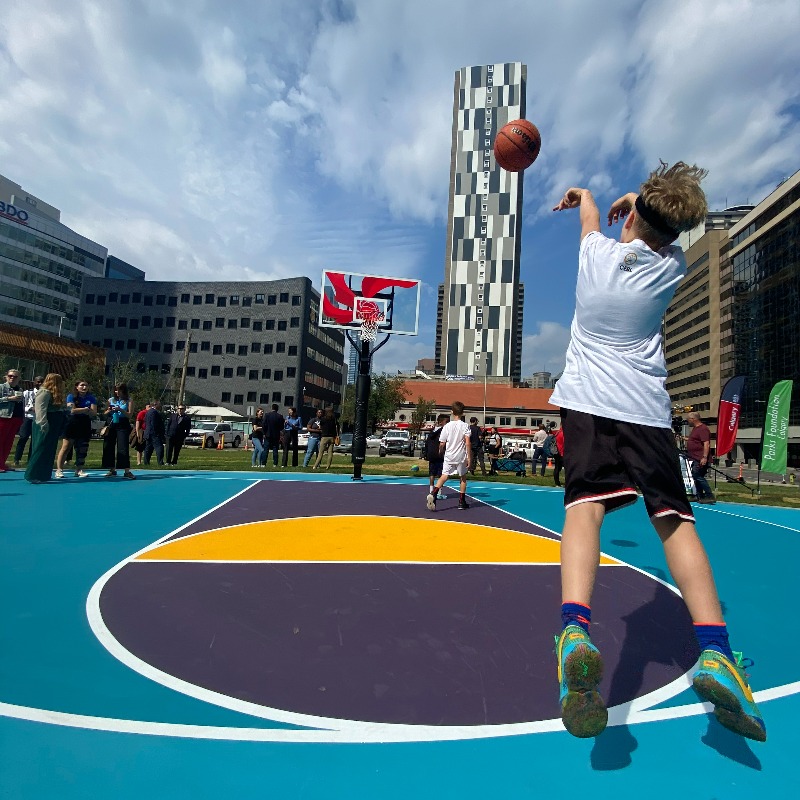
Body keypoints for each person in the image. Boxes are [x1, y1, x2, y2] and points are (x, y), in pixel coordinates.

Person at [549, 162, 765, 742]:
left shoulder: (592, 255)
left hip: (587, 405)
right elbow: (653, 225)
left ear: (632, 217)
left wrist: (590, 197)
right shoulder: (673, 267)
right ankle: (716, 651)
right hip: (644, 409)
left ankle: (574, 629)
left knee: (583, 511)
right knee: (675, 522)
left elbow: (593, 219)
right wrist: (638, 206)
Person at [426, 401, 471, 511]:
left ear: (452, 412)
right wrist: (469, 457)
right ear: (462, 412)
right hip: (460, 455)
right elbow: (467, 442)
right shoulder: (465, 426)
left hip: (449, 455)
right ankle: (461, 501)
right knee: (463, 477)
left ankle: (434, 492)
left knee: (444, 475)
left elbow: (442, 442)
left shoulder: (447, 426)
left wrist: (440, 451)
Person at [24, 373, 67, 484]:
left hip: (55, 422)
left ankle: (44, 474)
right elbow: (40, 409)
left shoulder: (55, 394)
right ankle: (32, 474)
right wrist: (43, 423)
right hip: (45, 422)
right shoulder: (44, 392)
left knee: (49, 449)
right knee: (40, 447)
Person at [55, 380, 97, 478]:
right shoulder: (71, 396)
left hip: (85, 423)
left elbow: (94, 412)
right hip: (72, 423)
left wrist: (84, 410)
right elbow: (72, 410)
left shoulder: (91, 398)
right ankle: (59, 470)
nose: (84, 387)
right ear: (77, 387)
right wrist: (85, 409)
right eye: (82, 385)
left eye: (86, 385)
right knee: (66, 447)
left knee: (82, 448)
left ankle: (79, 469)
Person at [102, 383, 136, 479]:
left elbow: (129, 415)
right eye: (116, 390)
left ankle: (126, 471)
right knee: (108, 446)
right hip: (111, 423)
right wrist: (109, 410)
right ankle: (111, 469)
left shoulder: (129, 401)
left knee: (123, 446)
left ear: (124, 390)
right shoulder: (111, 400)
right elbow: (104, 413)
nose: (117, 392)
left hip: (123, 424)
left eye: (120, 390)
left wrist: (120, 409)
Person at [684, 412, 715, 503]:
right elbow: (693, 440)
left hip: (700, 458)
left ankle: (709, 495)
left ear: (694, 419)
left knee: (697, 475)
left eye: (688, 419)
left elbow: (706, 443)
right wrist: (683, 438)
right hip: (693, 457)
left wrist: (704, 457)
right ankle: (699, 495)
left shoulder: (703, 429)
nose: (687, 421)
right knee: (695, 476)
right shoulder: (695, 429)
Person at [14, 375, 43, 467]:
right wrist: (30, 408)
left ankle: (30, 460)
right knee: (23, 437)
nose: (40, 383)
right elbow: (22, 406)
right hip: (28, 417)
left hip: (38, 419)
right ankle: (17, 459)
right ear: (34, 382)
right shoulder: (27, 393)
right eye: (38, 381)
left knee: (34, 440)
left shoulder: (45, 393)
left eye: (42, 382)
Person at [0, 368, 25, 472]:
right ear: (6, 376)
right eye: (10, 376)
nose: (12, 378)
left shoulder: (20, 389)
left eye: (15, 376)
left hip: (16, 418)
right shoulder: (1, 387)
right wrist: (9, 399)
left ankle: (2, 463)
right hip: (3, 417)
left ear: (19, 378)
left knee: (8, 442)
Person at [426, 413, 451, 498]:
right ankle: (439, 493)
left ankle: (431, 491)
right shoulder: (443, 431)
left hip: (431, 454)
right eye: (447, 421)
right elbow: (444, 443)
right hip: (440, 455)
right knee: (441, 474)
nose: (448, 423)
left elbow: (427, 443)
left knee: (432, 473)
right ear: (441, 422)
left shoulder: (431, 431)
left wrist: (426, 454)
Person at [143, 400, 166, 466]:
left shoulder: (148, 412)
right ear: (155, 405)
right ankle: (160, 462)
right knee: (159, 447)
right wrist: (157, 432)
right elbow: (153, 423)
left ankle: (146, 462)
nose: (160, 406)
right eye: (159, 404)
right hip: (154, 433)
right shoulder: (154, 412)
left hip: (148, 433)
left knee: (148, 448)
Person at [263, 403, 285, 467]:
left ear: (272, 408)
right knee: (275, 449)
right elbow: (281, 427)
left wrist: (264, 432)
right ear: (277, 409)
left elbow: (264, 425)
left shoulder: (267, 415)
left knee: (266, 449)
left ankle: (264, 463)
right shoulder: (280, 416)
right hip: (276, 435)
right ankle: (275, 463)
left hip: (268, 434)